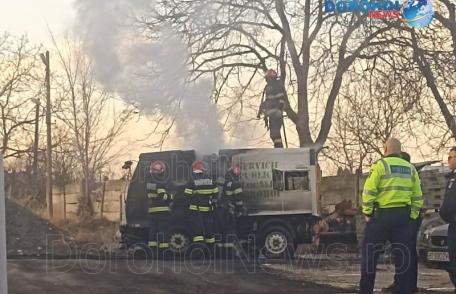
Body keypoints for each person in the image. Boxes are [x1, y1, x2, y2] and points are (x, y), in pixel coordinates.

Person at [359, 138, 423, 294]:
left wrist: (367, 213)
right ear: (400, 151)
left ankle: (366, 291)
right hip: (403, 217)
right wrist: (412, 216)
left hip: (381, 217)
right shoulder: (410, 169)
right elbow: (417, 196)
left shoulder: (380, 166)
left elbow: (369, 191)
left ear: (385, 149)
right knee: (403, 260)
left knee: (370, 258)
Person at [382, 151, 423, 293]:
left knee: (405, 251)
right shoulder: (411, 173)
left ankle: (406, 285)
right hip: (410, 217)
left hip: (408, 217)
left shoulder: (409, 175)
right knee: (404, 251)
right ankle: (402, 282)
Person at [185, 160, 219, 245]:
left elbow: (186, 196)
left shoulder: (192, 181)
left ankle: (199, 250)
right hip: (208, 210)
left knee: (198, 231)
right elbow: (216, 195)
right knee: (209, 230)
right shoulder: (210, 181)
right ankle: (211, 250)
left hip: (196, 211)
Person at [439, 146, 456, 289]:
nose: (448, 160)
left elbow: (450, 202)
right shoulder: (451, 176)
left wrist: (444, 214)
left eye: (451, 157)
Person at [147, 160, 173, 251]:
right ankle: (164, 251)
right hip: (162, 211)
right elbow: (163, 196)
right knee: (163, 230)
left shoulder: (149, 182)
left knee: (153, 231)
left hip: (152, 210)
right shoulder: (159, 182)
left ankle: (152, 250)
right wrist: (171, 196)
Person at [257, 69, 286, 148]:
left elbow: (281, 98)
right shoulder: (269, 87)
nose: (267, 79)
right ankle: (278, 147)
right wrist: (261, 111)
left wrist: (280, 109)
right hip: (271, 115)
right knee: (273, 134)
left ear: (271, 77)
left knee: (275, 133)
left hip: (276, 114)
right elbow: (267, 101)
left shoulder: (276, 86)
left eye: (268, 77)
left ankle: (279, 149)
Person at [216, 164, 244, 247]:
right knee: (230, 231)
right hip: (229, 211)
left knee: (222, 230)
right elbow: (239, 201)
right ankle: (230, 251)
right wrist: (239, 211)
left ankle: (221, 250)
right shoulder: (235, 184)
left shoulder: (223, 182)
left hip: (220, 209)